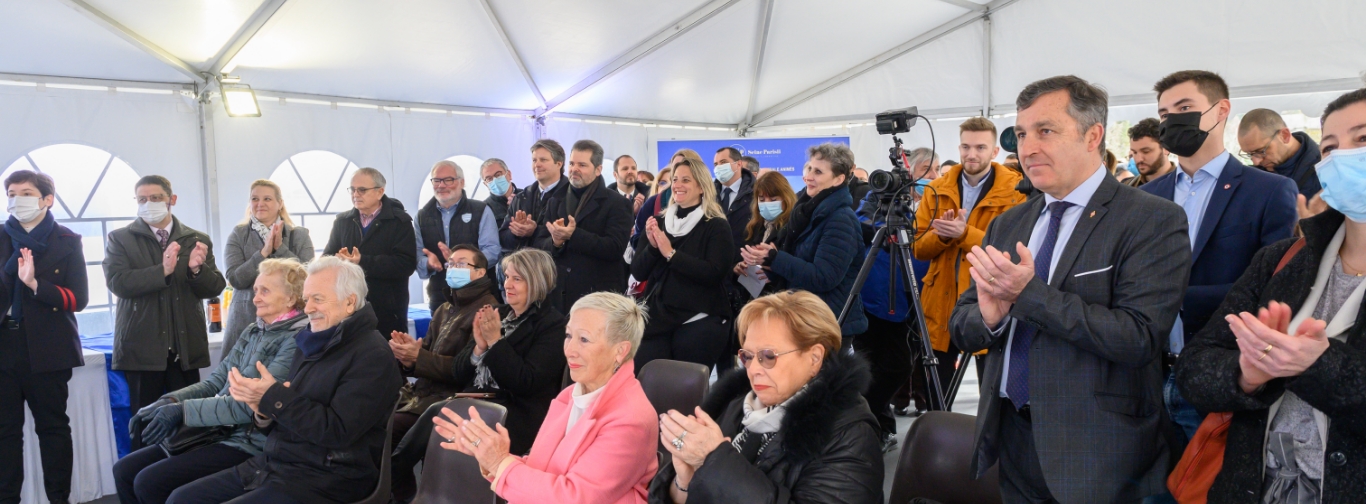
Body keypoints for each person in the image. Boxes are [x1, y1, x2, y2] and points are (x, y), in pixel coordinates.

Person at [950, 75, 1191, 502]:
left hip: (1099, 448)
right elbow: (963, 323)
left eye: (1046, 131)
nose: (1027, 148)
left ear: (1092, 136)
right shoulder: (1009, 223)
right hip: (1012, 436)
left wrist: (1028, 296)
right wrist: (990, 316)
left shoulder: (1152, 219)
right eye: (1022, 134)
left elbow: (1138, 337)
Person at [1175, 87, 1366, 504]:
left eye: (1363, 140)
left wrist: (1319, 366)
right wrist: (1245, 375)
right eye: (1330, 147)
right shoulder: (1283, 260)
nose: (1342, 157)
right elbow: (1195, 366)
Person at [1142, 70, 1298, 448]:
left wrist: (1175, 298)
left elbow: (1274, 288)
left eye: (1184, 108)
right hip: (1149, 379)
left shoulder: (1269, 190)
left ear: (1220, 110)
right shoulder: (1147, 196)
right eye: (1164, 114)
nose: (1172, 120)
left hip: (1221, 376)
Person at [170, 256, 403, 503]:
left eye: (318, 299)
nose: (308, 307)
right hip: (280, 463)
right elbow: (288, 414)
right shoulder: (312, 341)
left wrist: (273, 398)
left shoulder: (371, 355)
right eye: (307, 298)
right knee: (181, 498)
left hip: (330, 477)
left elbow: (337, 431)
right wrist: (262, 411)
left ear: (349, 302)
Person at [648, 290, 884, 503]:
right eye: (748, 356)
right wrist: (685, 483)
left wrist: (714, 462)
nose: (753, 369)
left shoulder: (851, 436)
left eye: (768, 356)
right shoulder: (737, 403)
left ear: (814, 358)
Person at [434, 292, 657, 504]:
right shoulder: (570, 395)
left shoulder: (631, 419)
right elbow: (542, 471)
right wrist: (487, 454)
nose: (570, 350)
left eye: (584, 340)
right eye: (569, 335)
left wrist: (500, 463)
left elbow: (574, 498)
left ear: (620, 351)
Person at [116, 259, 305, 504]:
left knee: (149, 482)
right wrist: (168, 400)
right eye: (256, 290)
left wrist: (181, 411)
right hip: (218, 431)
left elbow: (246, 407)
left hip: (248, 443)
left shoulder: (296, 339)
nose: (255, 297)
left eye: (265, 291)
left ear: (291, 299)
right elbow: (215, 382)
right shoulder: (253, 330)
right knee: (123, 470)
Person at [388, 248, 566, 502]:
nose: (508, 285)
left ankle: (394, 483)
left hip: (516, 411)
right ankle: (399, 483)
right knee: (436, 415)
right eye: (506, 277)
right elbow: (460, 371)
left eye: (517, 279)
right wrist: (480, 348)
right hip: (476, 399)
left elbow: (525, 382)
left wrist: (495, 343)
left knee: (437, 414)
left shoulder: (552, 325)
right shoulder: (500, 314)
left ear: (537, 281)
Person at [105, 175, 226, 450]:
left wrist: (196, 270)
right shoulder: (121, 238)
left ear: (172, 200)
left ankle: (183, 485)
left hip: (184, 349)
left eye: (156, 198)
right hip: (142, 350)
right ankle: (140, 485)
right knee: (144, 424)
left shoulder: (196, 239)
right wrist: (164, 271)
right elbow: (118, 283)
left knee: (187, 424)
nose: (149, 204)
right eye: (142, 199)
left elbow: (215, 287)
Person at [0, 170, 87, 504]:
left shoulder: (67, 240)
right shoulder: (1, 238)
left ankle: (58, 498)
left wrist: (36, 285)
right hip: (5, 347)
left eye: (25, 193)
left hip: (49, 347)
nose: (16, 200)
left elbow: (78, 298)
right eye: (11, 193)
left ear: (46, 199)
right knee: (5, 433)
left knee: (52, 429)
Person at [741, 143, 868, 336]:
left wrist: (775, 259)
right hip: (805, 316)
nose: (808, 176)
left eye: (818, 172)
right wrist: (768, 267)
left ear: (838, 179)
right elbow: (800, 264)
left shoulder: (841, 220)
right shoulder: (807, 211)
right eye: (809, 168)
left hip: (826, 324)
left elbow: (824, 277)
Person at [388, 245, 498, 448]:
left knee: (391, 431)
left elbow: (468, 369)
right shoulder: (444, 308)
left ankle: (391, 480)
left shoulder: (488, 311)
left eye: (461, 264)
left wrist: (419, 357)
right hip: (422, 395)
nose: (454, 268)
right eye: (451, 264)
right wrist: (409, 358)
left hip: (451, 399)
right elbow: (425, 356)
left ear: (481, 272)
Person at [631, 157, 735, 372]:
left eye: (685, 180)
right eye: (675, 179)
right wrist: (652, 248)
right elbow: (638, 272)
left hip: (698, 320)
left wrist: (671, 254)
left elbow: (714, 273)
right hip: (657, 319)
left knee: (685, 392)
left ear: (701, 187)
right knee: (647, 384)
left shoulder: (716, 226)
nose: (677, 185)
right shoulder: (659, 222)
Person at [533, 140, 633, 311]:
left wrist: (574, 235)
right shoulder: (555, 200)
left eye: (582, 164)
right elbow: (540, 244)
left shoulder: (617, 203)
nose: (574, 169)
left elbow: (614, 248)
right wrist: (556, 242)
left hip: (599, 296)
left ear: (598, 169)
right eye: (571, 163)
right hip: (559, 296)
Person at [223, 180, 314, 360]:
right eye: (255, 198)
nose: (260, 203)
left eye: (267, 199)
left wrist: (280, 249)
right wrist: (263, 253)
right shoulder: (238, 235)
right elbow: (235, 279)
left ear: (280, 204)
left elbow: (307, 278)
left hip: (291, 324)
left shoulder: (299, 235)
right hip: (245, 319)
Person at [323, 167, 416, 339]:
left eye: (362, 190)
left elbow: (406, 264)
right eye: (352, 189)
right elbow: (327, 257)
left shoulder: (399, 222)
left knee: (388, 359)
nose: (356, 194)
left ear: (380, 192)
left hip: (387, 308)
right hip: (350, 307)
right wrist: (339, 261)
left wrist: (362, 261)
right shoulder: (342, 222)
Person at [416, 160, 501, 311]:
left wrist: (463, 264)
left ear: (462, 182)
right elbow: (417, 256)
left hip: (478, 294)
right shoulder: (422, 216)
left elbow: (493, 251)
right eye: (436, 180)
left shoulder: (480, 210)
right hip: (440, 295)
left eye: (448, 180)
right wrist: (428, 264)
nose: (441, 185)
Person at [732, 170, 797, 298]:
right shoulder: (755, 226)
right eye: (762, 199)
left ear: (786, 198)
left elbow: (795, 268)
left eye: (773, 199)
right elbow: (741, 259)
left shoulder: (793, 227)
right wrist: (739, 267)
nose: (766, 203)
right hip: (754, 297)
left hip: (782, 298)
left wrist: (773, 266)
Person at [500, 139, 570, 254]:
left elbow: (571, 238)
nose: (537, 164)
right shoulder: (520, 197)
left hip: (556, 268)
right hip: (525, 267)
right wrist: (516, 232)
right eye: (534, 160)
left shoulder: (572, 197)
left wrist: (535, 230)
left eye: (543, 160)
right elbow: (503, 239)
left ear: (559, 164)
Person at [1238, 108, 1323, 201]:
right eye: (1250, 154)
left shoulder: (1327, 167)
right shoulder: (1251, 177)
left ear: (1284, 135)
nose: (1256, 162)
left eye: (1261, 151)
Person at [713, 146, 754, 250]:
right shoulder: (708, 194)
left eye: (723, 162)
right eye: (716, 164)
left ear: (739, 164)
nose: (718, 167)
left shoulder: (755, 192)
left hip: (745, 259)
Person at [1126, 118, 1175, 187]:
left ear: (1166, 148)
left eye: (1146, 152)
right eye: (1134, 152)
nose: (1139, 159)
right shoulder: (1127, 186)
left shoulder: (1185, 186)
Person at [480, 158, 517, 225]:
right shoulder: (484, 209)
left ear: (509, 174)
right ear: (486, 185)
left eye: (498, 175)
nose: (495, 180)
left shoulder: (527, 196)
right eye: (489, 179)